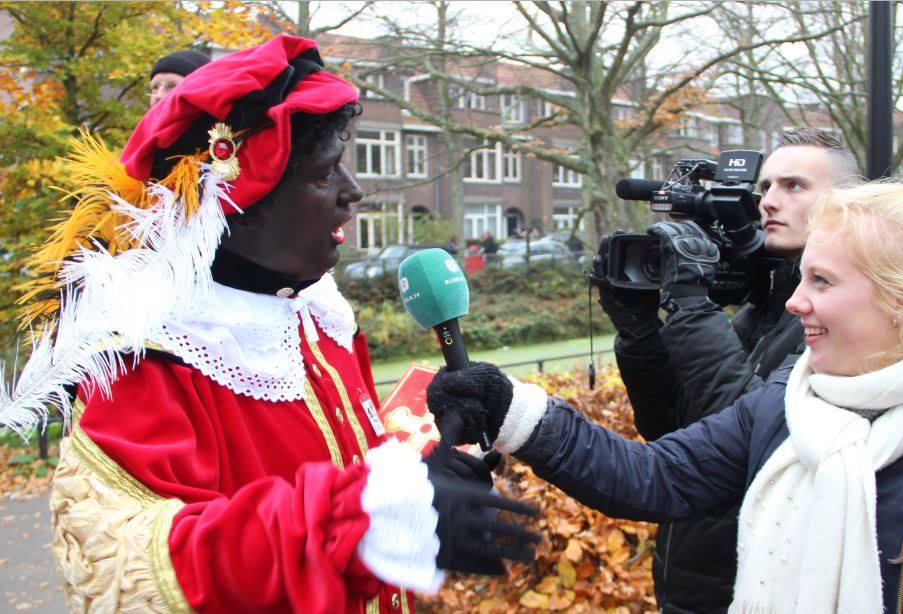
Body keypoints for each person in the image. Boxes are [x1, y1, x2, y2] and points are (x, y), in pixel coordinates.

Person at [1, 36, 535, 613]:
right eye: (325, 171)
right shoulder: (145, 359)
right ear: (236, 202)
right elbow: (123, 570)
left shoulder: (315, 312)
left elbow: (338, 472)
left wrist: (420, 483)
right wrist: (359, 522)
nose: (352, 192)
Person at [427, 181, 903, 613]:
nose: (796, 300)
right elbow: (652, 478)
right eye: (801, 276)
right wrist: (510, 406)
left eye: (821, 280)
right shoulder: (789, 404)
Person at [590, 127, 861, 612]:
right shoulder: (761, 310)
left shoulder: (841, 326)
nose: (769, 202)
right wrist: (639, 332)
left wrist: (694, 307)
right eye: (765, 187)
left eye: (794, 186)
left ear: (847, 205)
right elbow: (674, 430)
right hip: (691, 584)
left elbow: (755, 442)